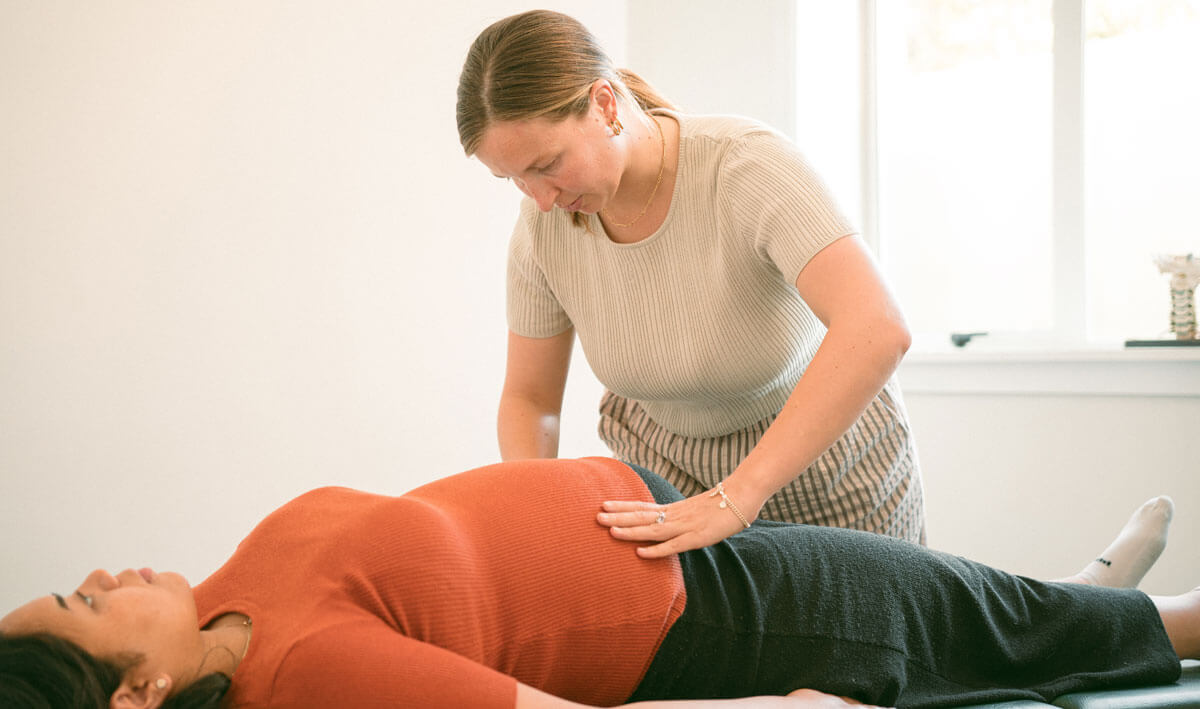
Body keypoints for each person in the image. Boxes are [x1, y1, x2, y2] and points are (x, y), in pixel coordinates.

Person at [0, 456, 1189, 708]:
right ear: (137, 692)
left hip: (694, 561)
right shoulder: (307, 672)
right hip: (732, 623)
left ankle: (1086, 590)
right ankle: (1120, 605)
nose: (105, 573)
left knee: (1003, 618)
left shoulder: (220, 603)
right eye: (91, 603)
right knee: (1005, 629)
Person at [457, 9, 926, 556]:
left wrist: (736, 497)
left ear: (605, 105)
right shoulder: (542, 229)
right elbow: (530, 398)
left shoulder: (745, 167)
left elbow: (878, 327)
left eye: (548, 164)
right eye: (512, 179)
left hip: (825, 470)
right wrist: (534, 512)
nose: (539, 199)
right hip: (667, 478)